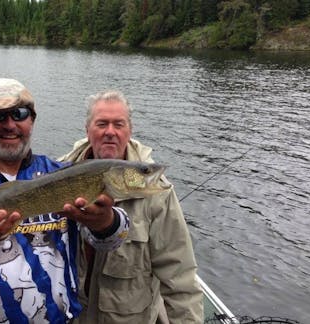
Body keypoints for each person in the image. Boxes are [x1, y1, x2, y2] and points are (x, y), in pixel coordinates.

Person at [0, 78, 130, 323]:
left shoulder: (63, 173)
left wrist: (105, 222)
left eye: (19, 113)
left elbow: (112, 241)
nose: (10, 124)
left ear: (32, 120)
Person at [58, 90, 204, 324]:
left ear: (129, 131)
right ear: (87, 130)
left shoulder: (159, 194)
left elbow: (179, 276)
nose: (110, 132)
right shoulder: (58, 174)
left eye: (119, 124)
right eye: (101, 124)